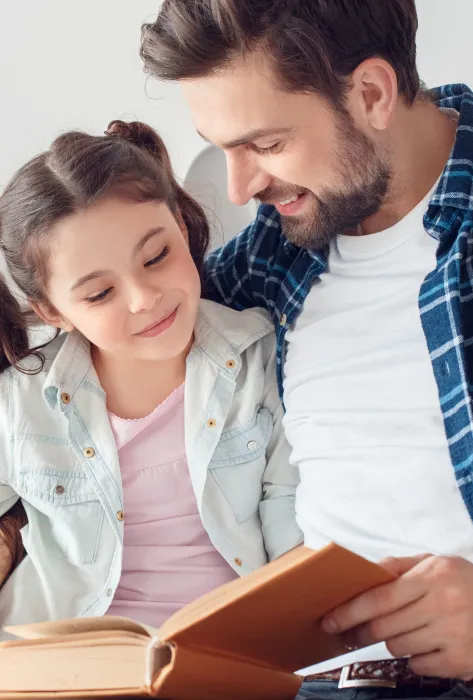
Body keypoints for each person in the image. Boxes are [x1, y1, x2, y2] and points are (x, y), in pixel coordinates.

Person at [140, 0, 473, 694]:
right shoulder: (267, 259)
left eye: (263, 145)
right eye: (220, 146)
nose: (241, 187)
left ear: (372, 94)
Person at [0, 119, 302, 635]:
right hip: (67, 668)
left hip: (224, 660)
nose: (144, 299)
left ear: (182, 229)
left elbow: (292, 548)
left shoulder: (259, 359)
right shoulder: (21, 402)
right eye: (99, 294)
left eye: (156, 256)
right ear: (53, 311)